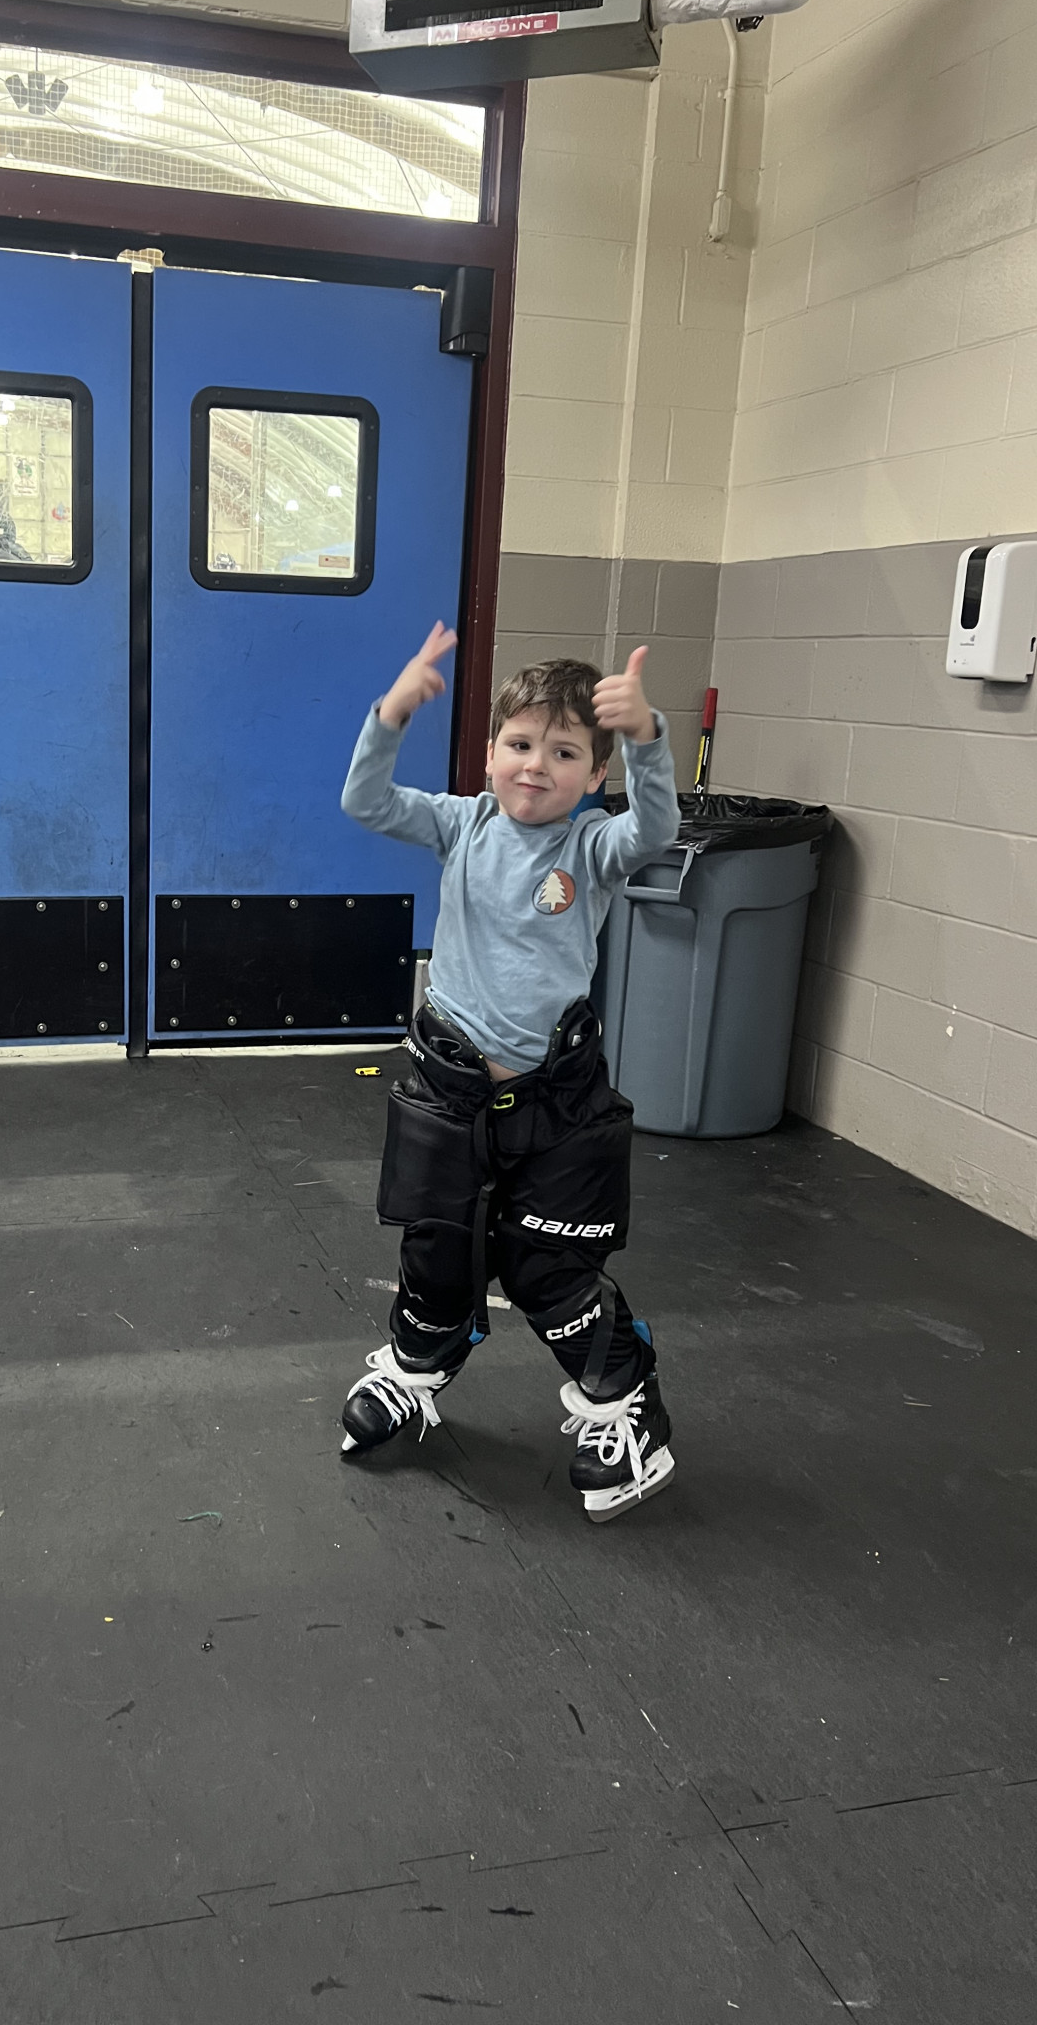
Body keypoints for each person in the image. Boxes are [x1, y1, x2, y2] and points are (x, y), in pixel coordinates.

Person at [337, 624, 682, 1522]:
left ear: (594, 774)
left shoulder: (591, 846)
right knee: (435, 1250)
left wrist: (647, 737)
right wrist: (391, 713)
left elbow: (658, 828)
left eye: (564, 752)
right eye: (520, 744)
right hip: (449, 1092)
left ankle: (627, 1405)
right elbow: (365, 800)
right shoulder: (461, 824)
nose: (536, 766)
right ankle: (418, 1364)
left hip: (554, 1103)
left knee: (550, 1271)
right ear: (490, 754)